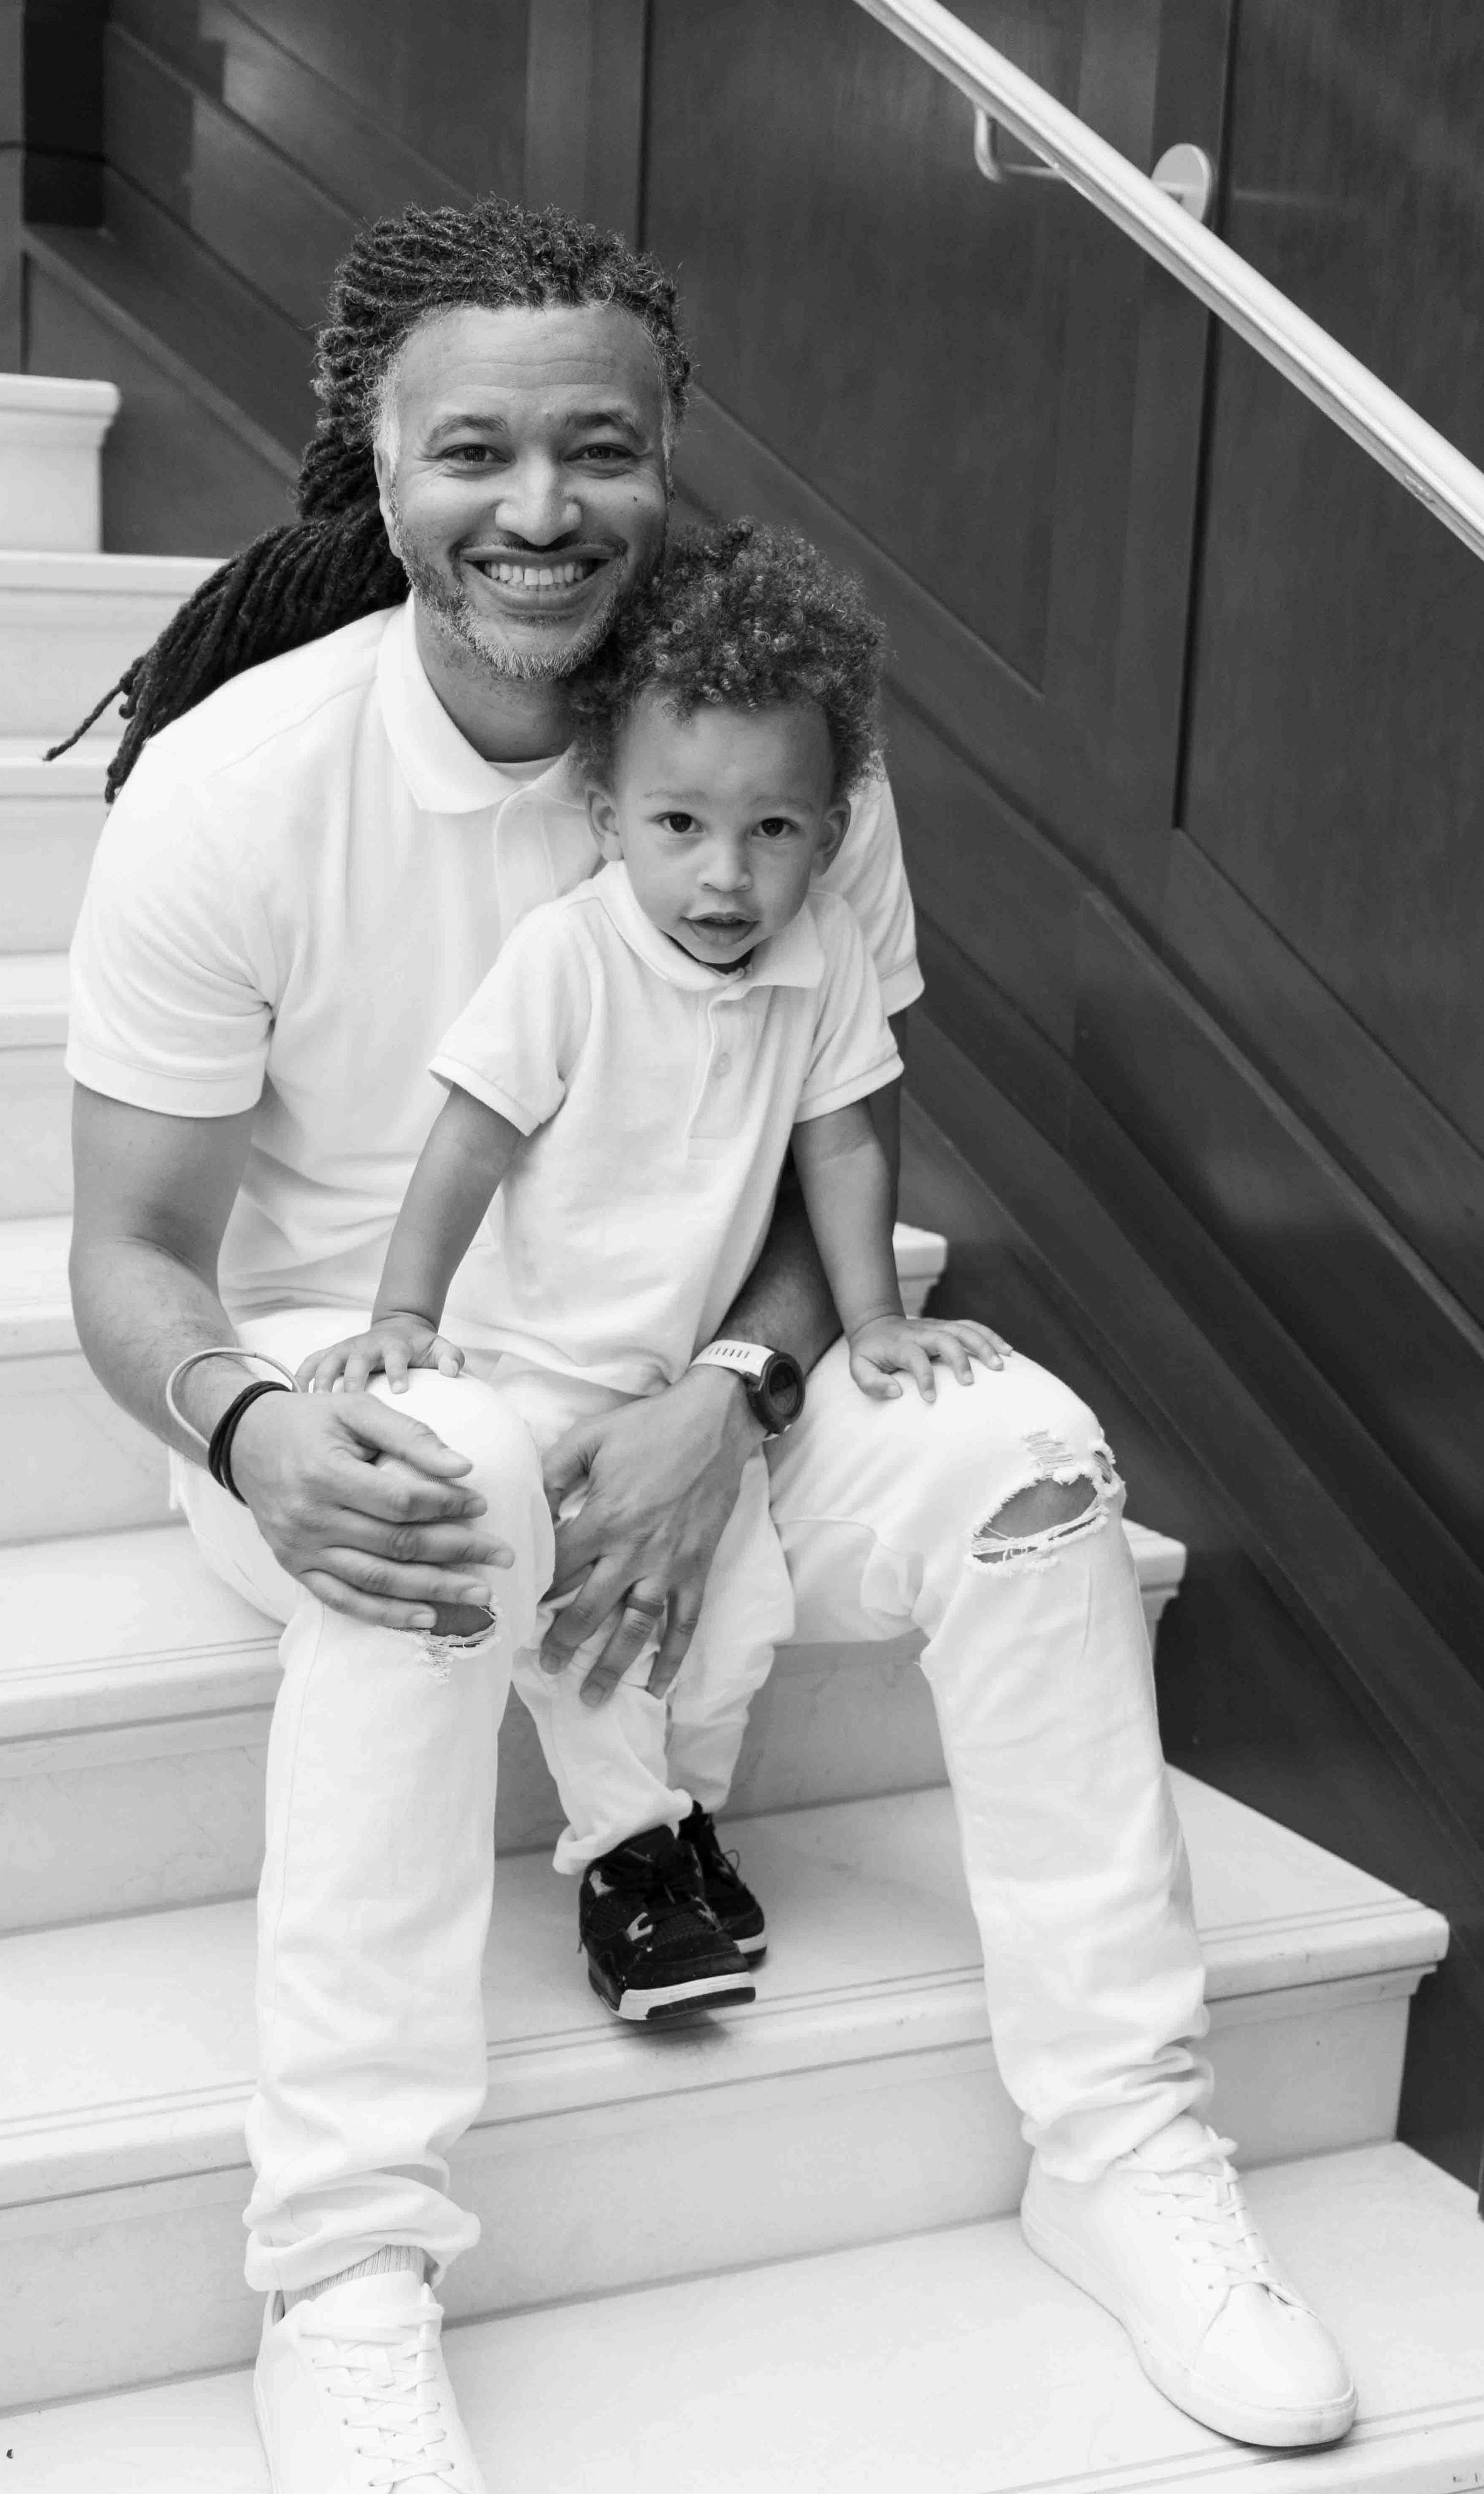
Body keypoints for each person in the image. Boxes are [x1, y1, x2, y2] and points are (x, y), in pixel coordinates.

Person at [64, 198, 1358, 2494]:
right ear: (377, 461)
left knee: (1036, 1464)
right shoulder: (237, 788)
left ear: (671, 454)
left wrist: (737, 1394)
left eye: (601, 445)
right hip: (363, 1386)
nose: (539, 507)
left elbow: (822, 1133)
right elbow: (127, 1255)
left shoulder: (779, 753)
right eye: (474, 450)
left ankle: (1125, 2146)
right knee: (441, 1485)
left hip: (690, 1367)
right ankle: (345, 2283)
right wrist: (244, 1427)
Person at [298, 520, 1010, 2025]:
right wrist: (404, 1314)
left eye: (774, 830)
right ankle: (624, 1858)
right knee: (605, 1638)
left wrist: (875, 1319)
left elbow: (845, 1147)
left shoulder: (824, 961)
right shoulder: (569, 959)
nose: (726, 875)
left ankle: (684, 1822)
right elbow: (467, 1143)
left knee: (736, 1624)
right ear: (608, 815)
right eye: (681, 824)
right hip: (546, 1376)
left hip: (690, 1376)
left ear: (831, 831)